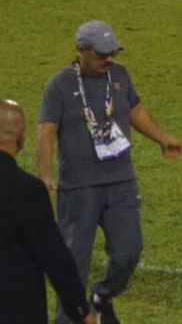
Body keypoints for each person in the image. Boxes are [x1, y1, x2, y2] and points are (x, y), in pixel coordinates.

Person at [37, 21, 182, 324]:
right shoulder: (60, 85)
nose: (109, 59)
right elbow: (46, 131)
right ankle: (68, 320)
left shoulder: (119, 75)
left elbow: (134, 110)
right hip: (79, 187)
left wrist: (162, 137)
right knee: (73, 261)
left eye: (113, 52)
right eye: (103, 54)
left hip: (121, 182)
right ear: (81, 51)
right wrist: (46, 175)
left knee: (129, 251)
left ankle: (101, 296)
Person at [0, 100, 96, 324]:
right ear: (21, 136)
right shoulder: (26, 189)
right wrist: (81, 310)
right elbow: (53, 255)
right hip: (16, 308)